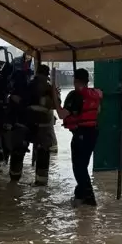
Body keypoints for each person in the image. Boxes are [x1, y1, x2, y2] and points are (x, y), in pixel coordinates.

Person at [58, 68, 102, 206]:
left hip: (81, 134)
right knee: (83, 165)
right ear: (87, 81)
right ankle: (81, 195)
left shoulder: (74, 95)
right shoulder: (95, 94)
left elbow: (61, 115)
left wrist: (56, 101)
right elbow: (98, 111)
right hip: (92, 133)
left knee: (78, 167)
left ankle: (88, 198)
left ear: (75, 80)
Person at [26, 64, 59, 186]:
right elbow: (57, 104)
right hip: (44, 125)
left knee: (23, 150)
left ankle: (18, 179)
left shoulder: (29, 84)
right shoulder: (50, 87)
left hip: (29, 124)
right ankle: (41, 181)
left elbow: (22, 102)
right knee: (44, 151)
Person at [4, 57, 32, 182]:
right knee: (19, 151)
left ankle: (13, 178)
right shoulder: (28, 89)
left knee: (14, 151)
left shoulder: (12, 91)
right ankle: (15, 177)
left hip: (15, 125)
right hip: (24, 125)